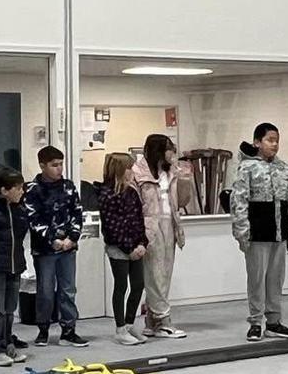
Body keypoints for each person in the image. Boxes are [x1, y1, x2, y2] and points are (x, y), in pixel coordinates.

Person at [230, 123, 288, 339]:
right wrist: (242, 231)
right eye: (270, 140)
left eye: (277, 140)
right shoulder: (247, 168)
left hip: (279, 232)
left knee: (276, 279)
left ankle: (274, 320)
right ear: (257, 142)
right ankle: (255, 321)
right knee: (257, 279)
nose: (275, 144)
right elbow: (239, 201)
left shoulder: (284, 168)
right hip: (257, 232)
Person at [26, 146, 88, 348]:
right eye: (54, 165)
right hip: (45, 249)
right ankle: (43, 329)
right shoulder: (33, 189)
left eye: (61, 164)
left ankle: (69, 330)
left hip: (68, 248)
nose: (59, 169)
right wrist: (52, 239)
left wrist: (72, 238)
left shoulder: (69, 186)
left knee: (68, 289)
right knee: (45, 290)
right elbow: (33, 219)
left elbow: (77, 214)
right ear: (42, 165)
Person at [133, 134, 189, 338]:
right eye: (168, 149)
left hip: (170, 225)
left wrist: (184, 178)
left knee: (164, 274)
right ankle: (163, 319)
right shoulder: (138, 172)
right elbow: (135, 204)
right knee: (155, 275)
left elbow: (182, 200)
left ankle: (152, 321)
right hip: (150, 227)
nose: (172, 153)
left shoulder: (172, 172)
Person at [0, 166, 31, 366]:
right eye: (17, 188)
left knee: (10, 308)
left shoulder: (19, 209)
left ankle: (8, 343)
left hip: (15, 264)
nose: (22, 191)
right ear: (3, 190)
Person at [100, 151, 150, 345]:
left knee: (138, 284)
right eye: (129, 168)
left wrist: (142, 243)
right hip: (118, 248)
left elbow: (138, 220)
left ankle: (130, 324)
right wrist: (129, 248)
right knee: (121, 285)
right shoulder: (107, 195)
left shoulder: (131, 193)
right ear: (120, 170)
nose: (132, 171)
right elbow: (113, 227)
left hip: (136, 246)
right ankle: (120, 328)